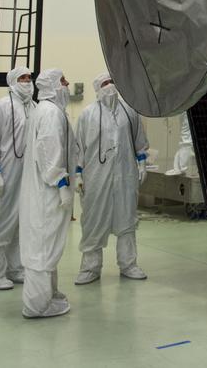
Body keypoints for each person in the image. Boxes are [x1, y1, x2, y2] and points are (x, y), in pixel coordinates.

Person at [74, 72, 149, 285]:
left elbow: (139, 141)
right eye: (105, 83)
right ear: (98, 89)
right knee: (94, 220)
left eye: (113, 82)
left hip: (125, 175)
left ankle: (128, 264)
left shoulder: (129, 111)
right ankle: (90, 268)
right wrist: (78, 173)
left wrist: (142, 162)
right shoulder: (88, 114)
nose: (110, 86)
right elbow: (78, 147)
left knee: (126, 219)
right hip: (96, 177)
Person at [19, 68, 75, 318]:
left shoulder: (46, 111)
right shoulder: (51, 114)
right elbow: (49, 154)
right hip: (48, 191)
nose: (67, 84)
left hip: (43, 189)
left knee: (46, 244)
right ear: (53, 85)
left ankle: (47, 295)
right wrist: (61, 184)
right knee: (43, 246)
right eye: (63, 81)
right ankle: (36, 306)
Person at [0, 66, 34, 290]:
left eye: (29, 77)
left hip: (27, 175)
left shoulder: (32, 106)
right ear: (12, 81)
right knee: (2, 223)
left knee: (20, 223)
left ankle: (14, 268)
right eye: (22, 77)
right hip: (6, 173)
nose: (27, 81)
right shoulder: (1, 107)